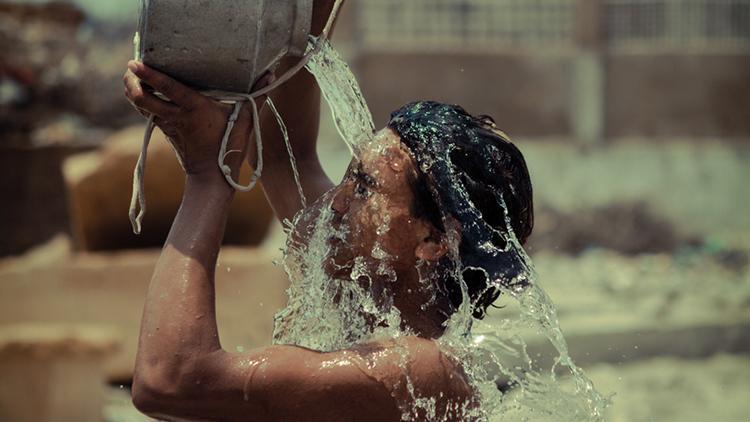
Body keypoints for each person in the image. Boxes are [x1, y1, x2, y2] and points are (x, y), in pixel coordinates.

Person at [123, 2, 533, 420]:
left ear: (434, 240)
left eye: (365, 186)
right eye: (349, 176)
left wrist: (207, 174)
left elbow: (167, 381)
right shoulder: (364, 289)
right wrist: (305, 17)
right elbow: (288, 157)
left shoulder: (424, 370)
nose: (336, 201)